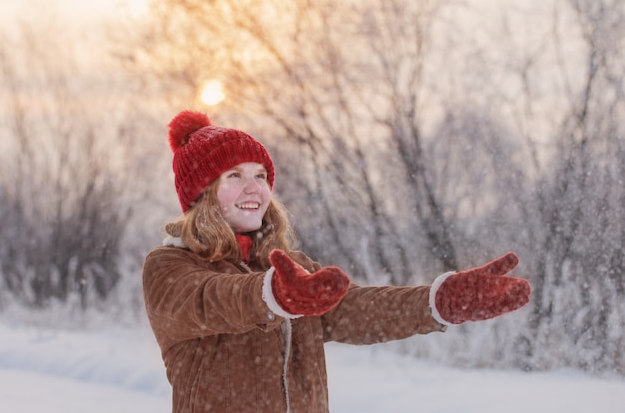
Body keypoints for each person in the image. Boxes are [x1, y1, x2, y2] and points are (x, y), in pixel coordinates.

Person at [142, 110, 532, 413]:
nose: (254, 188)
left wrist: (439, 302)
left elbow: (358, 309)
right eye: (234, 175)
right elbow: (215, 299)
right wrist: (273, 294)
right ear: (201, 194)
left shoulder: (291, 268)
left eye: (261, 176)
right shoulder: (171, 266)